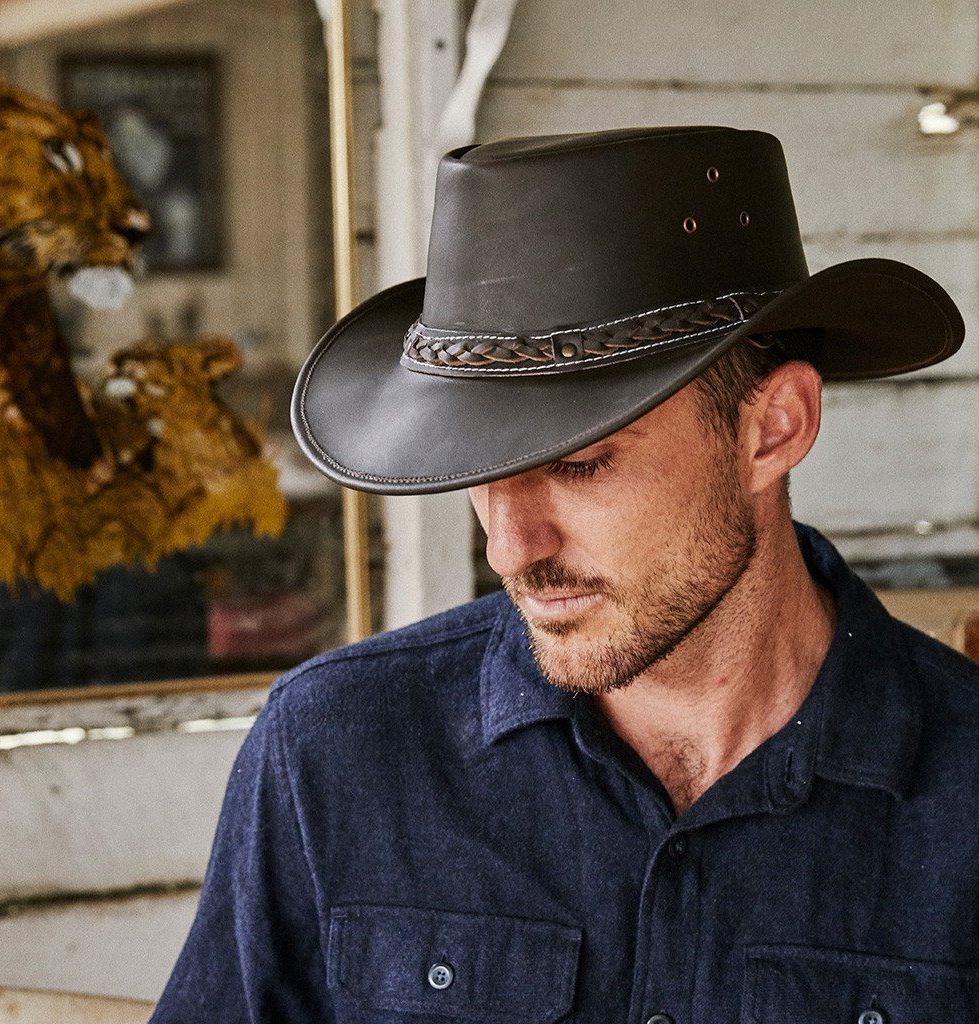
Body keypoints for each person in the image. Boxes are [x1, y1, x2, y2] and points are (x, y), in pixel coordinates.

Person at [151, 126, 979, 1023]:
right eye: (479, 471)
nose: (511, 548)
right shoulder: (339, 753)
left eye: (581, 465)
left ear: (772, 428)